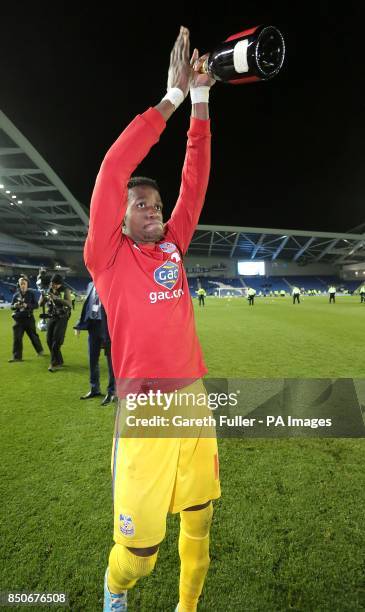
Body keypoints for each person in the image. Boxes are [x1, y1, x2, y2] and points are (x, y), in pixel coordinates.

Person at [84, 26, 220, 612]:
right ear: (118, 217)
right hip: (144, 411)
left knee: (200, 521)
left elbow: (196, 179)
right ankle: (115, 591)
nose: (155, 210)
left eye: (157, 205)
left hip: (193, 400)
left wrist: (204, 101)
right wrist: (171, 98)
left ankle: (188, 609)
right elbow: (115, 166)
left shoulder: (173, 247)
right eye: (142, 205)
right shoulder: (107, 259)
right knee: (139, 555)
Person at [74, 281, 115, 406]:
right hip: (93, 326)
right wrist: (79, 324)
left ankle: (112, 392)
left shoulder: (110, 281)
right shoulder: (90, 285)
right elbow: (87, 305)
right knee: (92, 359)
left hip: (107, 327)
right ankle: (94, 388)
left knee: (111, 361)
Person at [39, 273, 72, 372]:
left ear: (60, 284)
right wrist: (43, 297)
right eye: (53, 283)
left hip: (62, 318)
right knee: (49, 340)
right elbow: (40, 304)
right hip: (51, 317)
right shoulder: (48, 290)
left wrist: (56, 298)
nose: (54, 285)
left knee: (56, 341)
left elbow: (69, 304)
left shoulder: (65, 290)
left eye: (56, 284)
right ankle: (59, 360)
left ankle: (54, 363)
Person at [8, 276, 44, 362]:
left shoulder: (31, 294)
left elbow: (36, 305)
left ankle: (40, 350)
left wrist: (27, 305)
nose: (23, 285)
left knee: (33, 336)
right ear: (19, 285)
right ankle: (17, 357)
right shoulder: (16, 295)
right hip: (18, 319)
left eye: (24, 284)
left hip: (29, 319)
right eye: (21, 284)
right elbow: (11, 307)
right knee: (17, 338)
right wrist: (15, 306)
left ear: (27, 285)